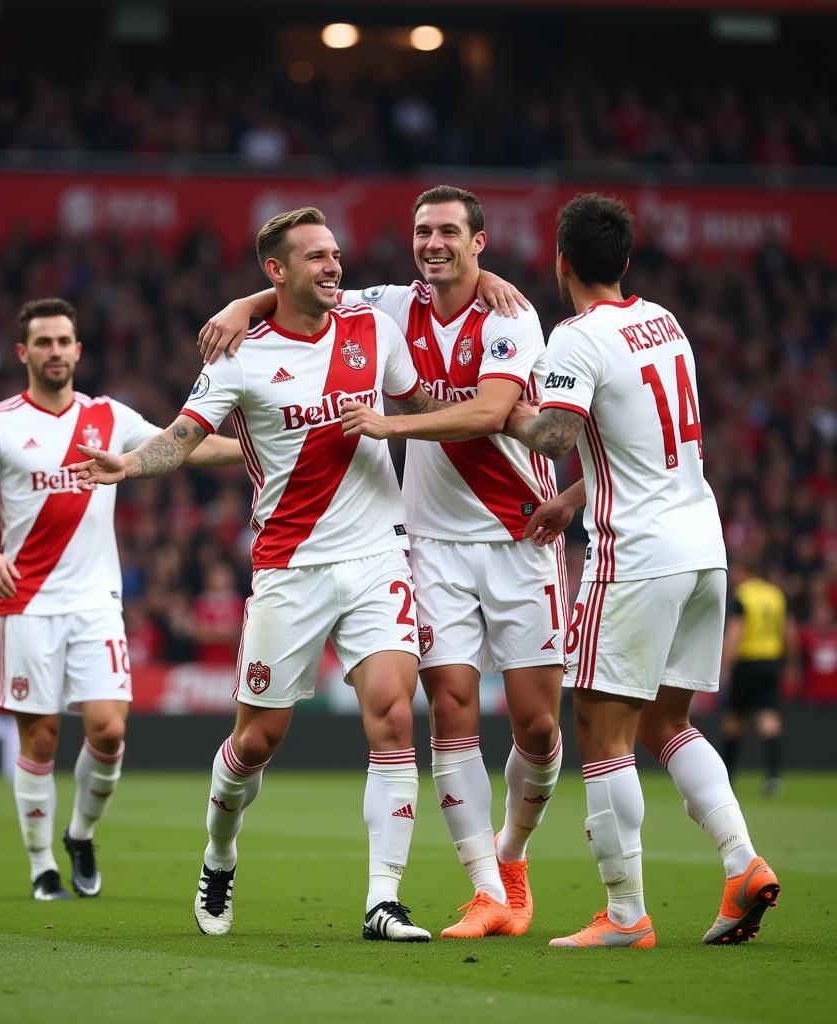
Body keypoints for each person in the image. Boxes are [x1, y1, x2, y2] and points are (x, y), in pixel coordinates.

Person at [72, 207, 451, 942]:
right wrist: (128, 464)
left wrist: (491, 414)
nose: (333, 267)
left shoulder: (372, 328)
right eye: (315, 257)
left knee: (397, 715)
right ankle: (219, 854)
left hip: (378, 554)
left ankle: (383, 900)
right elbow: (183, 438)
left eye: (335, 253)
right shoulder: (240, 356)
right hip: (290, 566)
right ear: (276, 271)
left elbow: (421, 402)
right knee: (256, 742)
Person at [201, 185, 565, 939]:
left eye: (448, 233)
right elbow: (301, 285)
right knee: (437, 714)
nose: (433, 244)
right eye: (423, 231)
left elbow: (492, 412)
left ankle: (512, 854)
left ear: (479, 241)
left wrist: (392, 421)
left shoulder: (510, 314)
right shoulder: (387, 306)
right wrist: (243, 307)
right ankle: (484, 890)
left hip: (519, 532)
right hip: (424, 541)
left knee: (537, 728)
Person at [503, 192, 779, 948]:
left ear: (562, 263)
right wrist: (573, 497)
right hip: (702, 546)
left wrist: (502, 409)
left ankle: (625, 913)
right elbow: (644, 442)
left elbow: (555, 432)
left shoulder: (574, 338)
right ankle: (741, 862)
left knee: (600, 727)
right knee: (667, 721)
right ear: (625, 261)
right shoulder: (667, 324)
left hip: (636, 557)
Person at [0, 297, 242, 902]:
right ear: (23, 352)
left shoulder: (108, 415)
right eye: (44, 342)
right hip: (27, 602)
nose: (55, 351)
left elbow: (178, 444)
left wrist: (259, 443)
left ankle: (80, 833)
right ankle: (41, 868)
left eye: (64, 341)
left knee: (109, 731)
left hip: (95, 603)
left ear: (78, 350)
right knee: (39, 741)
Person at [720, 557, 797, 796]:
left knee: (734, 720)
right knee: (769, 718)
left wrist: (724, 666)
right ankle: (773, 776)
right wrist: (792, 664)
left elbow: (735, 631)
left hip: (747, 662)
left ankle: (727, 778)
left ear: (743, 571)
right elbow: (789, 631)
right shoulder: (775, 594)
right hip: (771, 662)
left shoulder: (742, 595)